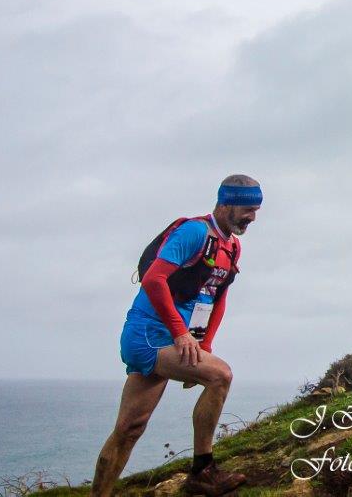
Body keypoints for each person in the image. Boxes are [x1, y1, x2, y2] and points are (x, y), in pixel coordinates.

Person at [91, 176, 261, 497]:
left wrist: (205, 343)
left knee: (130, 429)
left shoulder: (231, 246)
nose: (252, 217)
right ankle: (202, 471)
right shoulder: (194, 232)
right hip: (148, 335)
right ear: (225, 203)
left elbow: (218, 297)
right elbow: (154, 280)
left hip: (173, 338)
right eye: (247, 209)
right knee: (220, 376)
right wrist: (182, 334)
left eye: (256, 210)